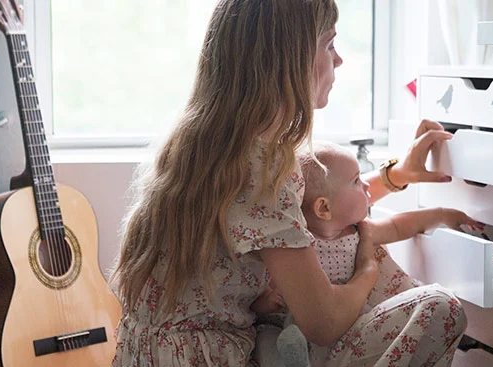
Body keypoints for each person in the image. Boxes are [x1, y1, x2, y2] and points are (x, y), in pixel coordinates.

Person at [109, 0, 464, 365]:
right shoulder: (265, 166)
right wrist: (367, 268)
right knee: (443, 309)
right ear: (290, 62)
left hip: (150, 354)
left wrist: (394, 176)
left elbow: (305, 208)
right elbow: (324, 322)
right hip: (213, 358)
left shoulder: (203, 143)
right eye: (329, 45)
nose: (338, 59)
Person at [252, 142, 483, 366]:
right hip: (308, 340)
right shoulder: (293, 250)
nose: (367, 185)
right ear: (324, 208)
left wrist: (442, 214)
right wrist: (268, 302)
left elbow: (401, 225)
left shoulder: (360, 231)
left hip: (355, 333)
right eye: (356, 181)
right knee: (269, 339)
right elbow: (258, 302)